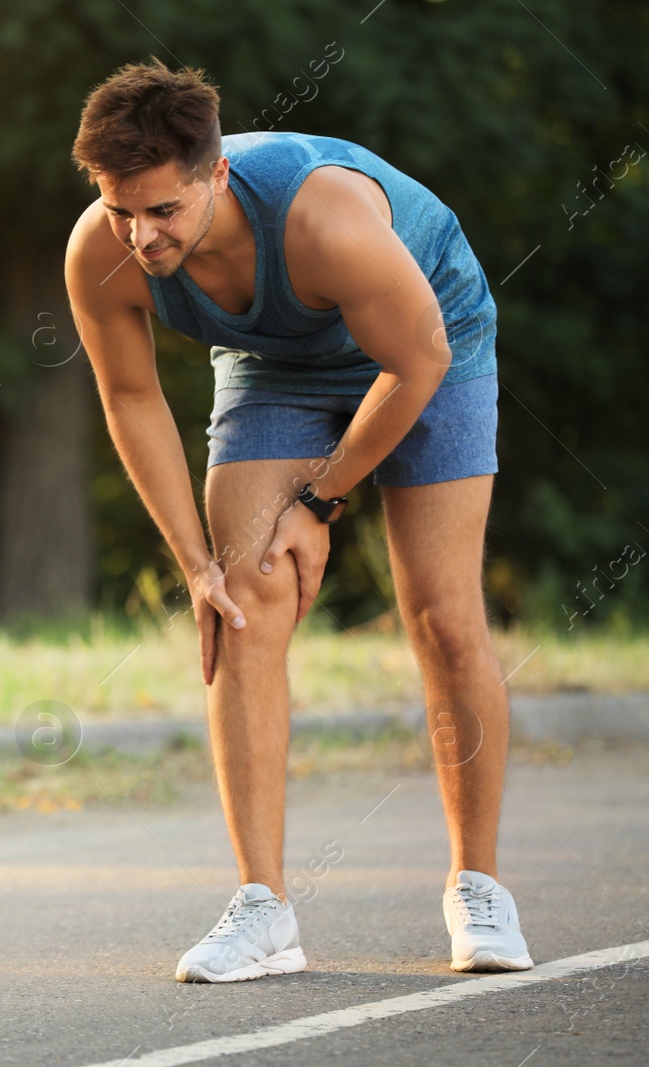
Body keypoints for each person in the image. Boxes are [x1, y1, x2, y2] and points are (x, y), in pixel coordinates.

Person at [63, 59, 532, 982]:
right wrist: (195, 563)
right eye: (122, 209)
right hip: (275, 365)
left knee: (441, 612)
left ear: (217, 174)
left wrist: (321, 499)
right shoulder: (100, 249)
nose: (141, 235)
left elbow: (419, 357)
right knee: (242, 598)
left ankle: (479, 886)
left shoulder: (323, 220)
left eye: (162, 210)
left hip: (427, 339)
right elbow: (129, 397)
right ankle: (263, 907)